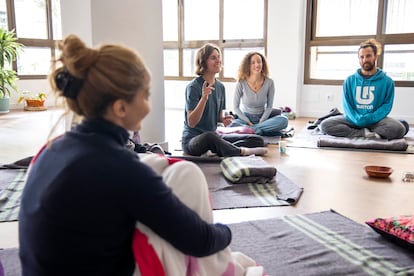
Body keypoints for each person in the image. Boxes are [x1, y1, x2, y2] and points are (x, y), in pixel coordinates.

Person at [18, 34, 258, 276]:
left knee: (184, 173)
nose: (148, 106)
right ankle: (229, 267)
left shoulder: (52, 148)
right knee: (188, 183)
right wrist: (227, 232)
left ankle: (228, 266)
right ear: (120, 108)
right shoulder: (119, 167)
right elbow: (201, 240)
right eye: (145, 96)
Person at [181, 43, 268, 157]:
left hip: (214, 136)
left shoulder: (220, 87)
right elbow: (191, 123)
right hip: (193, 141)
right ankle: (240, 152)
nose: (218, 61)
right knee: (210, 137)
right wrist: (204, 98)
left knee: (257, 140)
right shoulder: (193, 87)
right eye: (213, 58)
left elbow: (216, 118)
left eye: (219, 57)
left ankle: (219, 149)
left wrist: (222, 119)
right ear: (203, 62)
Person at [320, 39, 408, 140]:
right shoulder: (349, 81)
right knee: (325, 125)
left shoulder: (387, 82)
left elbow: (386, 107)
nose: (365, 60)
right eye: (361, 57)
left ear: (375, 56)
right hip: (353, 120)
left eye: (368, 56)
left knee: (399, 129)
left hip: (376, 121)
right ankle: (363, 133)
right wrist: (358, 119)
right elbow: (347, 106)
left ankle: (366, 132)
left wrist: (368, 119)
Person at [229, 52, 289, 136]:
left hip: (263, 118)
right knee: (232, 125)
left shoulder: (269, 82)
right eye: (253, 63)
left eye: (259, 62)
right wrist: (248, 121)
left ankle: (252, 130)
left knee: (284, 120)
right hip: (245, 118)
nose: (257, 65)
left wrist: (262, 121)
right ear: (248, 66)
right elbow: (235, 107)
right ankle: (260, 130)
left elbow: (269, 106)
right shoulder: (241, 83)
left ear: (262, 64)